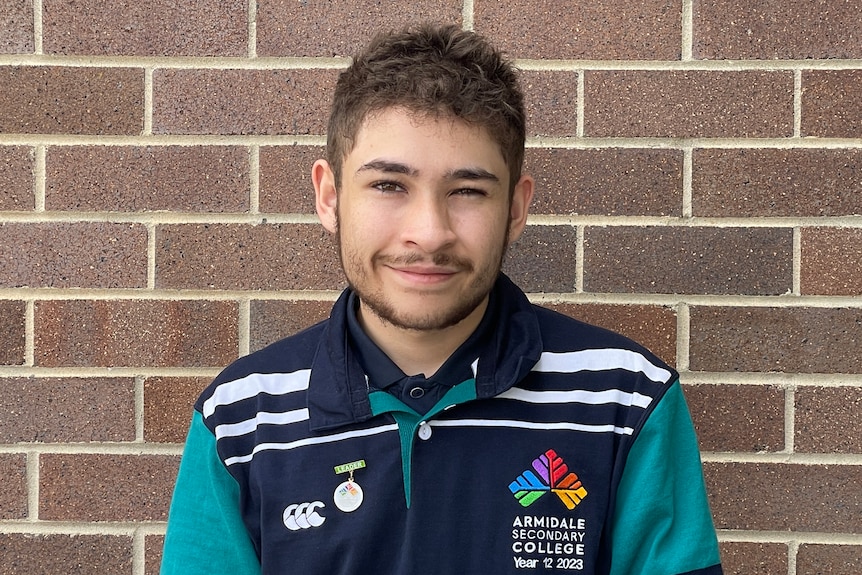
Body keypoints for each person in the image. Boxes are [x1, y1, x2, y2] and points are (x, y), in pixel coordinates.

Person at [161, 24, 723, 575]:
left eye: (467, 191)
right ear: (330, 196)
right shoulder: (240, 420)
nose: (429, 233)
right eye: (388, 185)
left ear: (516, 208)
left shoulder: (624, 400)